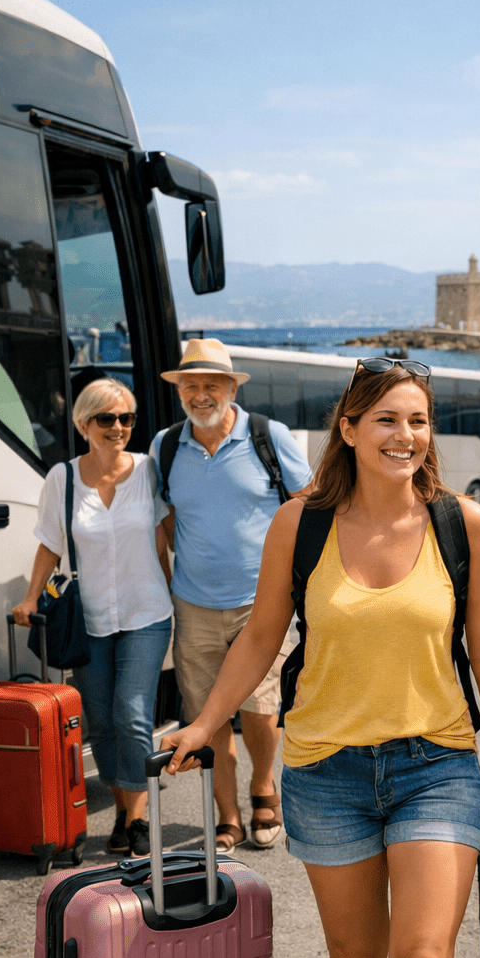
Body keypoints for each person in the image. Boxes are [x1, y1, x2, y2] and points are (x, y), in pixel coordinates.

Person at [162, 357, 480, 958]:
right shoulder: (299, 524)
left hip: (436, 765)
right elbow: (260, 637)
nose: (405, 435)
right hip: (325, 771)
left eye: (418, 421)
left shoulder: (463, 523)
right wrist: (205, 723)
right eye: (386, 420)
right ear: (349, 430)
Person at [151, 338, 313, 854]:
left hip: (262, 602)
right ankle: (228, 816)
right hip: (193, 604)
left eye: (211, 385)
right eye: (191, 386)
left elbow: (309, 504)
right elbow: (166, 519)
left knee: (262, 708)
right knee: (206, 716)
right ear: (180, 391)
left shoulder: (269, 436)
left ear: (231, 389)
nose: (201, 395)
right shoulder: (165, 446)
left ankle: (264, 786)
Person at [13, 378, 173, 858]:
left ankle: (139, 818)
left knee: (132, 713)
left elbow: (166, 535)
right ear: (84, 424)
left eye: (126, 418)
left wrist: (184, 591)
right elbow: (50, 543)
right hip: (89, 619)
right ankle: (122, 809)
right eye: (107, 418)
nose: (118, 427)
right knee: (100, 721)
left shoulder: (148, 471)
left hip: (147, 612)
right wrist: (30, 598)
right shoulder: (62, 479)